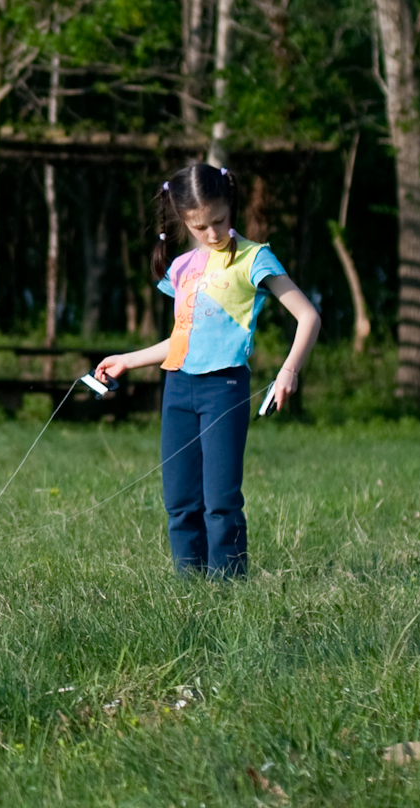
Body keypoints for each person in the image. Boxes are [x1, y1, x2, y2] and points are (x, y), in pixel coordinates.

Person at [93, 161, 321, 577]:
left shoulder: (255, 258)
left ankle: (228, 591)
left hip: (225, 388)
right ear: (183, 220)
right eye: (200, 227)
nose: (213, 233)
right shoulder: (181, 268)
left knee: (220, 500)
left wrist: (289, 370)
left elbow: (309, 316)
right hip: (178, 388)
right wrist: (128, 359)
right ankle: (190, 590)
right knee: (179, 501)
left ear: (230, 206)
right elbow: (183, 338)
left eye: (219, 220)